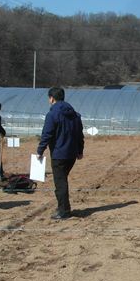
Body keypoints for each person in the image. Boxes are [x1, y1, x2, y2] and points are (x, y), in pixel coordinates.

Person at [37, 87, 84, 220]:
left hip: (59, 153)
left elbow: (47, 134)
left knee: (60, 183)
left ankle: (64, 210)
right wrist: (80, 150)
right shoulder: (75, 114)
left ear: (52, 98)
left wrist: (40, 150)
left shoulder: (52, 115)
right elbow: (79, 134)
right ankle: (63, 206)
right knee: (62, 180)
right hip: (72, 154)